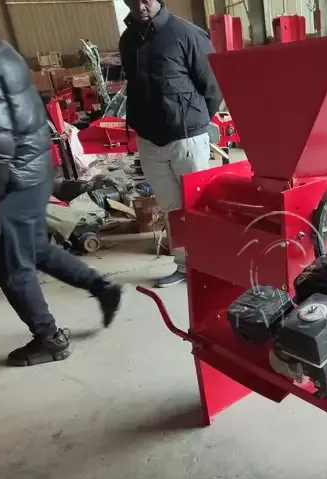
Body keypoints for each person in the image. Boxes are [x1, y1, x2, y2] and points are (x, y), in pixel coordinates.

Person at [0, 0, 123, 367]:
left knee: (9, 266)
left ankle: (49, 339)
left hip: (9, 181)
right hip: (31, 171)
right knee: (34, 249)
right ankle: (103, 287)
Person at [120, 0, 222, 288]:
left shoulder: (187, 35)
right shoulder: (128, 40)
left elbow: (212, 86)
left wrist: (195, 122)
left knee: (199, 206)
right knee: (172, 210)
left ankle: (210, 267)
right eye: (133, 0)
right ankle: (183, 265)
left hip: (187, 137)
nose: (141, 5)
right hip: (149, 140)